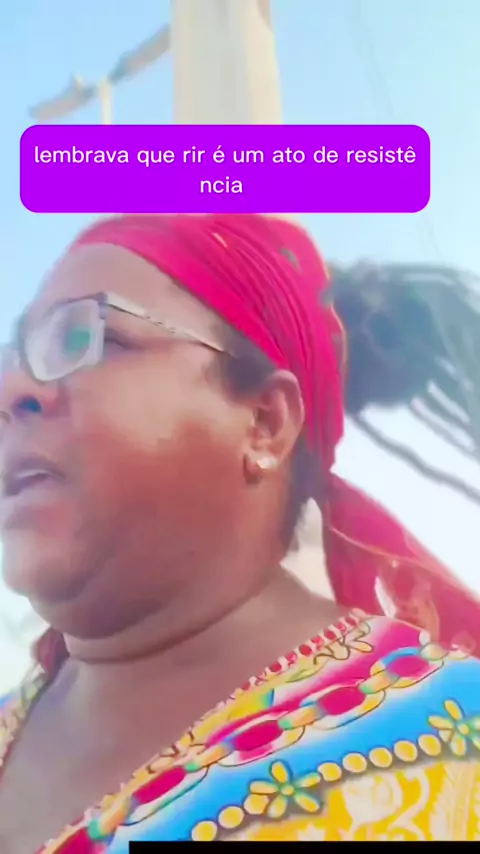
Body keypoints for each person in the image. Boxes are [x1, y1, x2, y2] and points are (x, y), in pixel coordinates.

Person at [0, 214, 480, 852]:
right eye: (14, 357)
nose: (12, 389)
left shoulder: (454, 751)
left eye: (84, 337)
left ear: (264, 423)